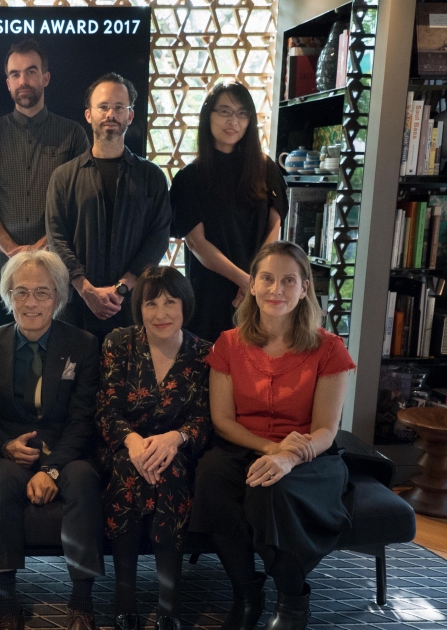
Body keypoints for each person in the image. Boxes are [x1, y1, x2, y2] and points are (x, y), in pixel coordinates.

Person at [190, 241, 355, 630]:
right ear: (252, 284)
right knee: (211, 476)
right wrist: (271, 448)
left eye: (288, 281)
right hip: (244, 445)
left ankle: (292, 603)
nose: (275, 289)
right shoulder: (228, 343)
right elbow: (223, 421)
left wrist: (288, 457)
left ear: (304, 288)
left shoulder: (329, 348)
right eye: (266, 278)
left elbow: (326, 430)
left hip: (309, 456)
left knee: (271, 490)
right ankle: (246, 594)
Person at [0, 250, 102, 630]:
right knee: (0, 481)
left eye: (42, 292)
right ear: (7, 296)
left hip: (67, 449)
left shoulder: (82, 344)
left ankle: (82, 601)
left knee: (83, 479)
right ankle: (6, 603)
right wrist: (4, 446)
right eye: (21, 292)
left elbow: (82, 420)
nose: (31, 302)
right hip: (11, 449)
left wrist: (52, 468)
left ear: (59, 297)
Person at [98, 266, 212, 630]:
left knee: (171, 473)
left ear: (185, 305)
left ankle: (168, 605)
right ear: (139, 308)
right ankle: (125, 599)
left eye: (170, 302)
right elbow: (107, 410)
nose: (161, 313)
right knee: (126, 470)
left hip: (176, 449)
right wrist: (133, 442)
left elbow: (204, 418)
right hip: (124, 446)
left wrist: (174, 439)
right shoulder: (119, 343)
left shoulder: (204, 353)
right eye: (151, 303)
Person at [0, 39, 89, 330]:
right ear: (8, 83)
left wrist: (41, 249)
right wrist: (13, 250)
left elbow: (81, 203)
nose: (23, 80)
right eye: (15, 74)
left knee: (60, 352)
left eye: (31, 72)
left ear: (45, 78)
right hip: (1, 268)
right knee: (0, 350)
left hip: (58, 270)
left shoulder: (73, 134)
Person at [46, 73, 172, 343]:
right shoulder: (64, 176)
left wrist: (123, 287)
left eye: (119, 107)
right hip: (76, 308)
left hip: (132, 307)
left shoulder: (151, 177)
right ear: (88, 114)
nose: (111, 114)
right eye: (103, 107)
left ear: (130, 115)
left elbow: (158, 238)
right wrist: (85, 288)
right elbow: (56, 239)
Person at [170, 80, 287, 343]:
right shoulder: (190, 177)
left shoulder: (266, 169)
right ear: (208, 115)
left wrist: (256, 279)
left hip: (261, 292)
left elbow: (274, 227)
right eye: (224, 111)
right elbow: (196, 243)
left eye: (242, 113)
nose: (233, 121)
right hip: (210, 294)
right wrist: (245, 281)